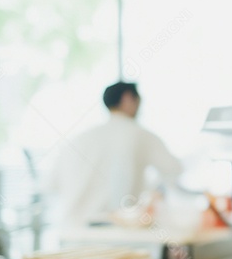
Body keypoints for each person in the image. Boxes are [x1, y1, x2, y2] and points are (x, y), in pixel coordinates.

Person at [43, 81, 182, 228]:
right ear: (128, 99)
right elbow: (174, 169)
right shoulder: (139, 134)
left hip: (72, 233)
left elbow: (51, 185)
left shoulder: (78, 139)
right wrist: (153, 192)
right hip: (116, 235)